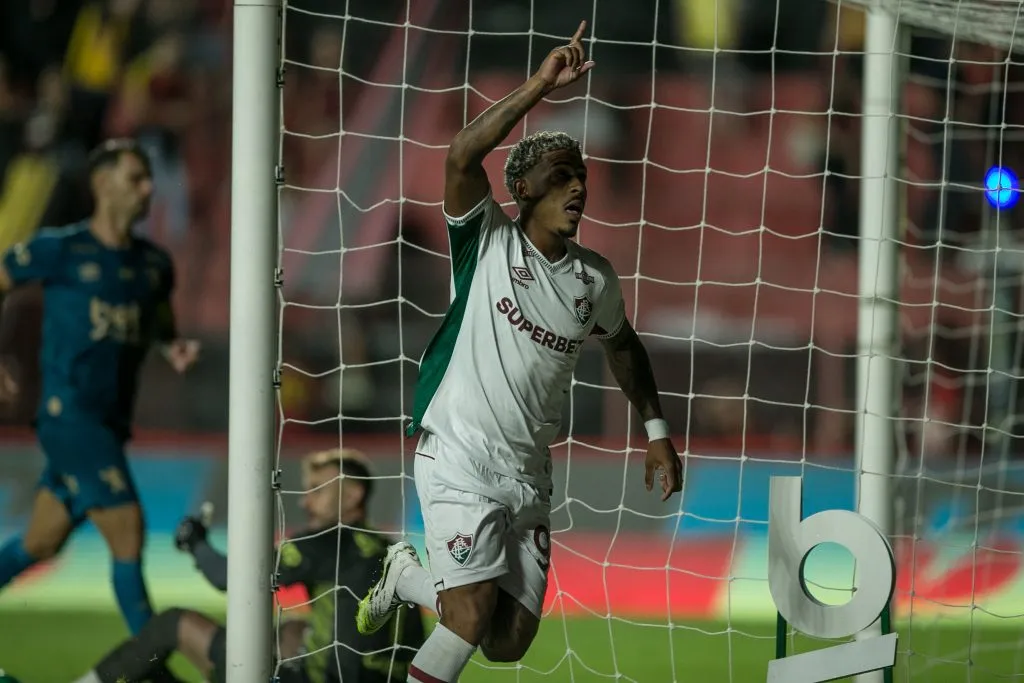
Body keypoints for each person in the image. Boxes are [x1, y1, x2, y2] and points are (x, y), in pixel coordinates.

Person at [356, 20, 683, 683]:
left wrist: (655, 430)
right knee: (471, 612)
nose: (578, 189)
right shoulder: (488, 242)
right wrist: (539, 84)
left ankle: (406, 575)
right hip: (458, 452)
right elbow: (458, 157)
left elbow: (624, 346)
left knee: (505, 640)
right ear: (525, 189)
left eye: (582, 177)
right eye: (561, 177)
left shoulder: (594, 279)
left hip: (528, 473)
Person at [0, 138, 200, 638]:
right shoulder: (59, 249)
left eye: (148, 178)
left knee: (42, 542)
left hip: (109, 426)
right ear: (101, 184)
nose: (148, 188)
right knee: (128, 530)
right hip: (68, 416)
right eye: (135, 177)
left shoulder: (154, 265)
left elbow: (157, 320)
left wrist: (172, 345)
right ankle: (152, 665)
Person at [69, 448, 426, 683]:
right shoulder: (393, 550)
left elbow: (229, 577)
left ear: (352, 495)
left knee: (173, 624)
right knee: (289, 630)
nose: (307, 501)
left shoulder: (324, 541)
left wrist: (195, 543)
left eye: (318, 489)